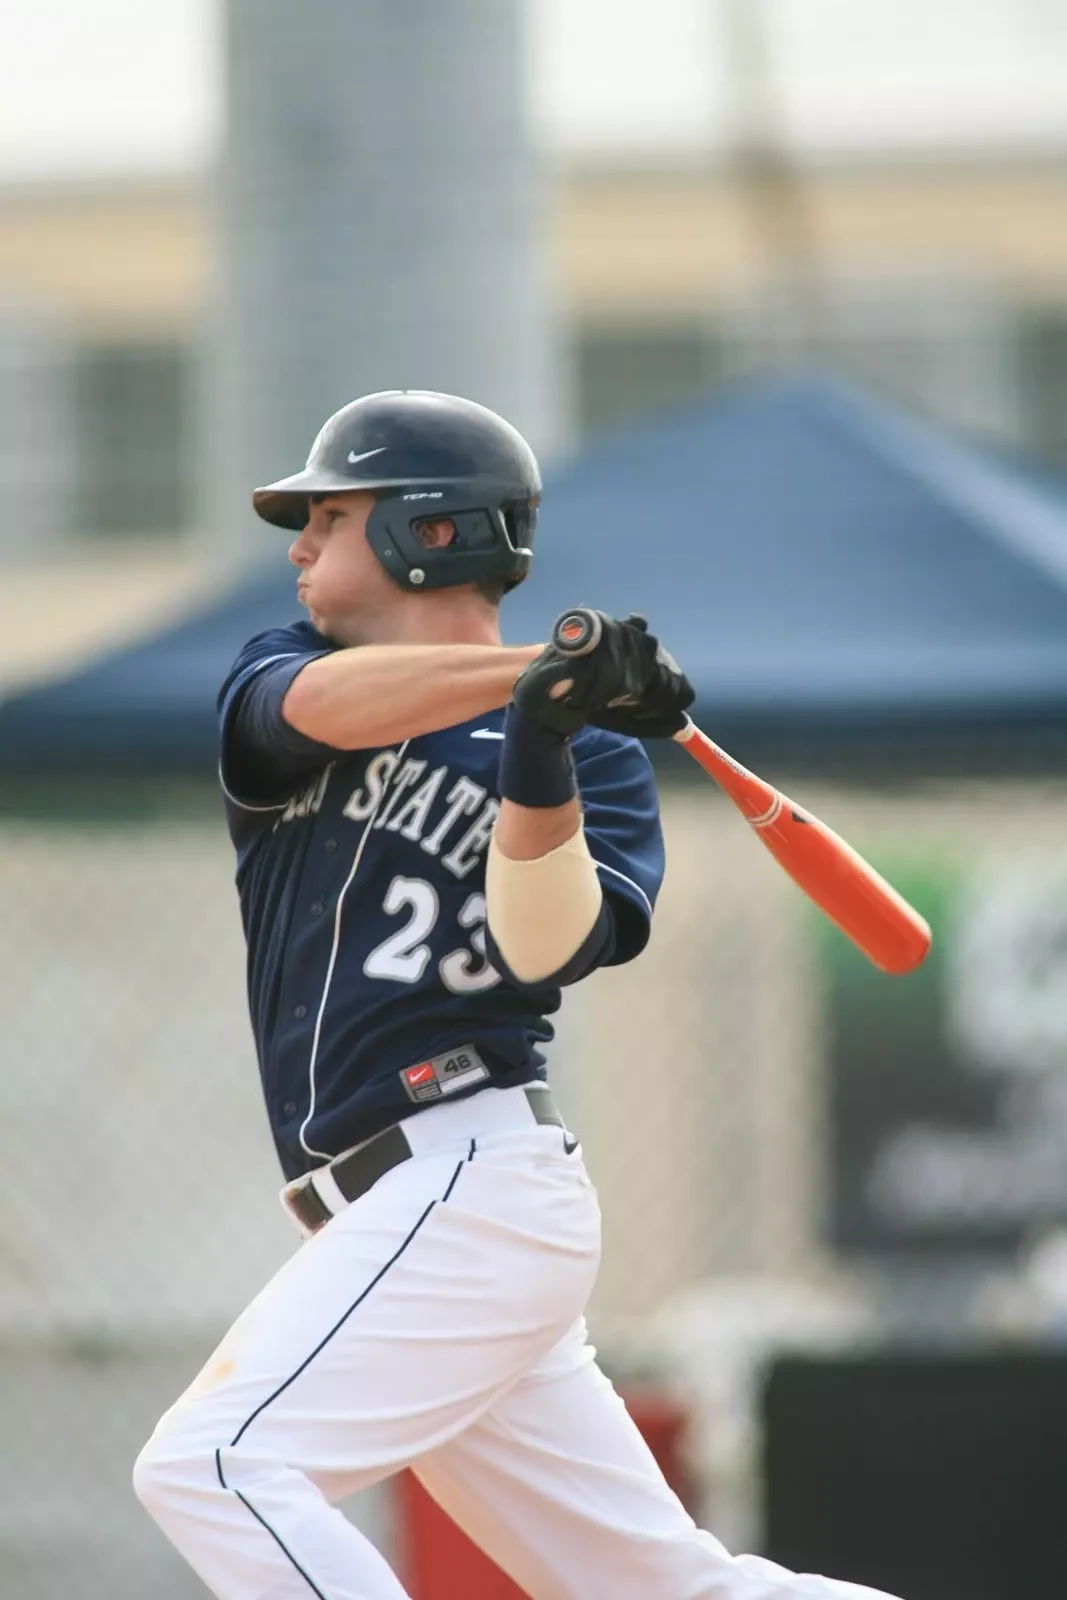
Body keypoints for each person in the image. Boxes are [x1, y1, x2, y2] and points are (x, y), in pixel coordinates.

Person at [134, 390, 903, 1600]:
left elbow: (547, 948)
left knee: (216, 1464)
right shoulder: (285, 671)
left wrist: (544, 735)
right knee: (655, 1587)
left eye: (328, 516)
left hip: (468, 1177)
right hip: (408, 1213)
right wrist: (539, 674)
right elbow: (310, 717)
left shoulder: (592, 752)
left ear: (424, 532)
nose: (297, 546)